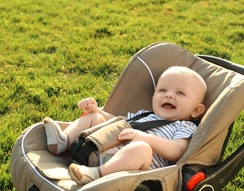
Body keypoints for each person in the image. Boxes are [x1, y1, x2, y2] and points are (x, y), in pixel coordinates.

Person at [43, 66, 207, 184]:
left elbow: (177, 150)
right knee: (95, 118)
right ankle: (62, 142)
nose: (169, 95)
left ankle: (96, 174)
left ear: (195, 110)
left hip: (135, 168)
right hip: (101, 149)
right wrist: (98, 112)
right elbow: (117, 123)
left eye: (180, 93)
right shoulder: (145, 114)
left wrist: (146, 138)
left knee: (141, 148)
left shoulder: (185, 126)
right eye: (162, 91)